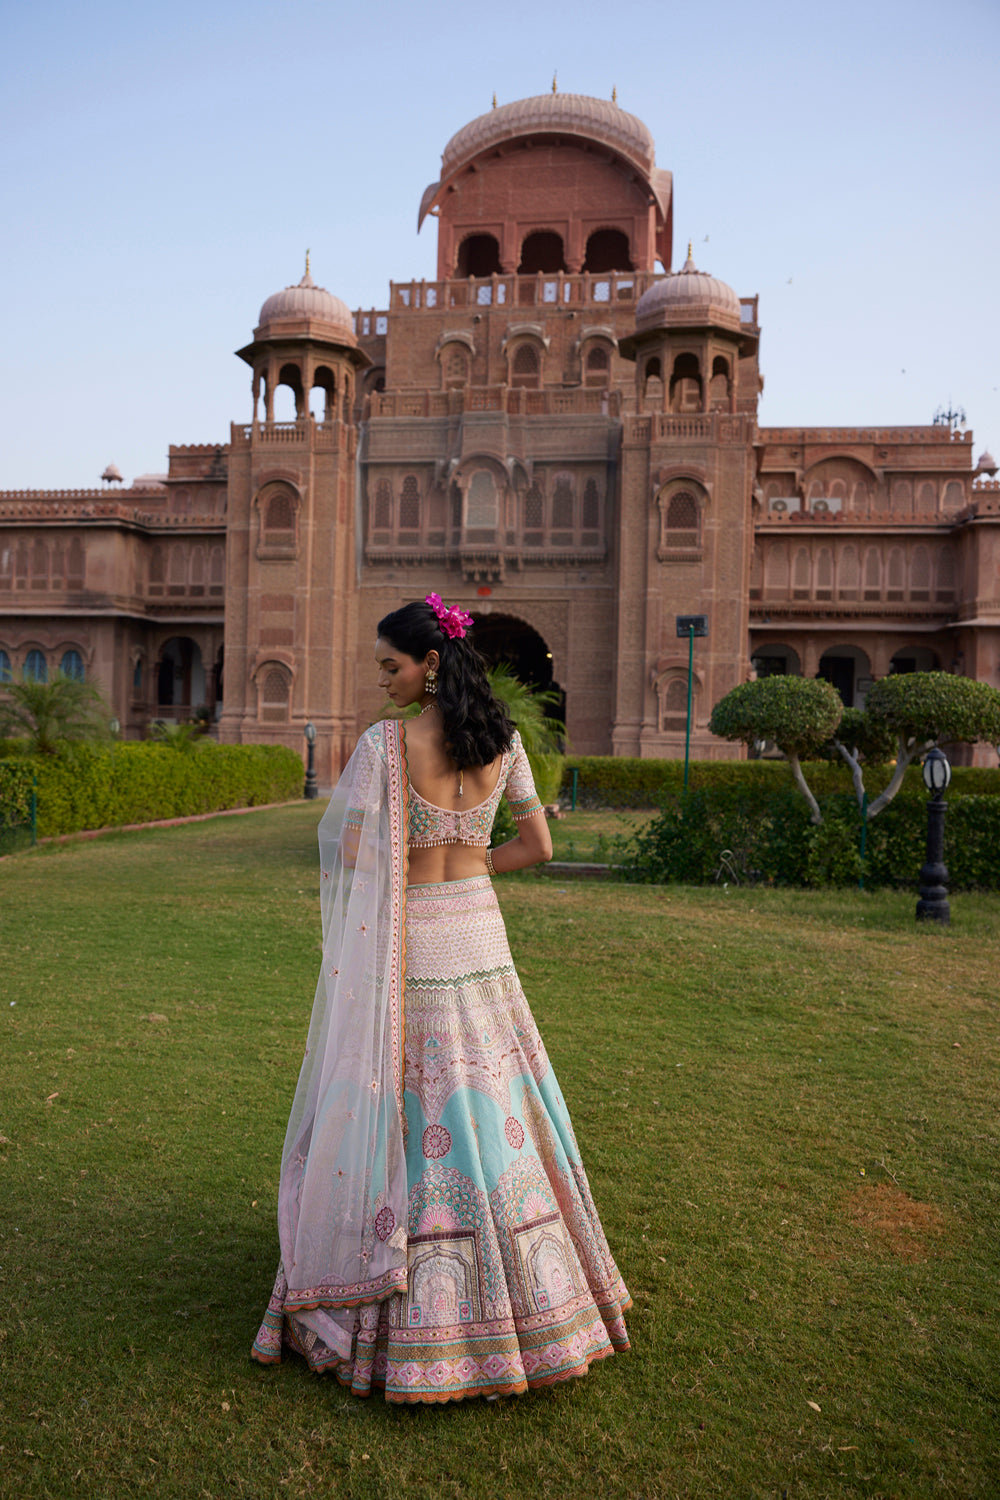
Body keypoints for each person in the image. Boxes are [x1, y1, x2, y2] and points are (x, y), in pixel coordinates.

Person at [252, 595, 630, 1403]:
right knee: (493, 1093)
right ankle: (531, 1287)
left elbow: (353, 851)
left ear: (428, 666)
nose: (382, 680)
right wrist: (473, 869)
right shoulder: (505, 743)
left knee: (414, 1096)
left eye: (390, 666)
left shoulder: (387, 746)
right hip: (481, 935)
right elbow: (538, 845)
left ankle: (403, 1290)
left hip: (419, 936)